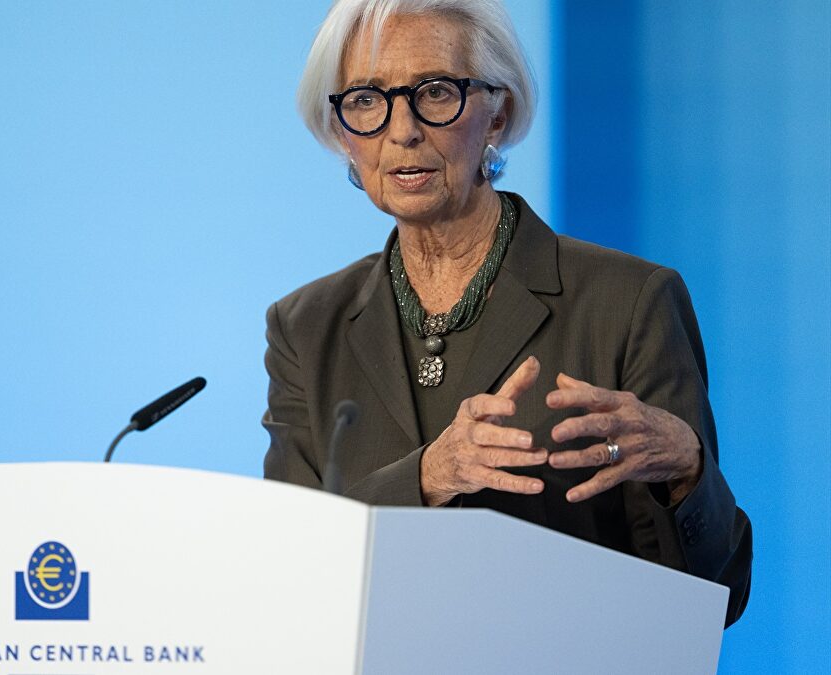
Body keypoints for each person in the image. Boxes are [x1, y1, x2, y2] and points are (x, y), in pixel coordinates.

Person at [262, 0, 751, 626]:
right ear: (341, 131)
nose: (402, 129)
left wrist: (687, 474)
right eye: (365, 99)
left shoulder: (628, 303)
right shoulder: (305, 327)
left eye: (435, 92)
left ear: (498, 111)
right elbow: (286, 568)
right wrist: (429, 477)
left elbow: (714, 599)